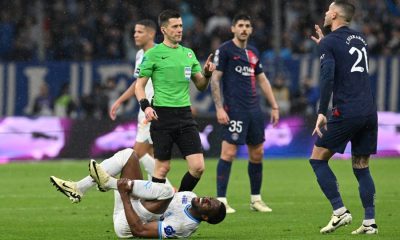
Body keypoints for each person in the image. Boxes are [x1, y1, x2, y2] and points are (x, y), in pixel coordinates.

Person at [309, 1, 378, 235]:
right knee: (361, 166)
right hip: (369, 110)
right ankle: (370, 222)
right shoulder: (360, 39)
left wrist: (321, 111)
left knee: (317, 158)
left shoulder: (330, 42)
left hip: (347, 110)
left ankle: (340, 211)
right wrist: (324, 47)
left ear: (335, 14)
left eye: (328, 10)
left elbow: (328, 77)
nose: (326, 14)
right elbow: (346, 62)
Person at [50, 148, 226, 238]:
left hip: (127, 223)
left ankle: (109, 182)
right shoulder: (191, 197)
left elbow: (139, 230)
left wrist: (125, 196)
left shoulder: (183, 227)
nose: (206, 199)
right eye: (210, 198)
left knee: (165, 190)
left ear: (205, 218)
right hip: (137, 202)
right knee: (130, 154)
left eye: (209, 205)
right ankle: (78, 188)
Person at [135, 9, 215, 192]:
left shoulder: (188, 54)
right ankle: (155, 212)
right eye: (175, 26)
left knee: (198, 167)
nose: (180, 30)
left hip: (185, 115)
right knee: (162, 168)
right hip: (162, 115)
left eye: (181, 26)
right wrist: (146, 107)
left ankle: (178, 199)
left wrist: (207, 74)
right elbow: (139, 86)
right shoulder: (153, 54)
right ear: (163, 30)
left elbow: (201, 85)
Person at [210, 14, 280, 213]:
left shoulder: (253, 52)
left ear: (251, 29)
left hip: (254, 111)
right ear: (233, 28)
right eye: (240, 25)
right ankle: (221, 200)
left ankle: (256, 200)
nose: (244, 29)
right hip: (234, 110)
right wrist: (219, 107)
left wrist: (274, 105)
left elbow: (263, 80)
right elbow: (215, 80)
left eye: (247, 26)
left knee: (257, 154)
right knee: (228, 153)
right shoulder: (224, 50)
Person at [109, 19, 171, 183]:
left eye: (139, 32)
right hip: (143, 109)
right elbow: (138, 83)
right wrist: (119, 101)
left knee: (137, 155)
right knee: (150, 155)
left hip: (154, 110)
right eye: (134, 32)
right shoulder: (139, 55)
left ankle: (169, 190)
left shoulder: (162, 52)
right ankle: (157, 195)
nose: (135, 35)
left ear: (151, 33)